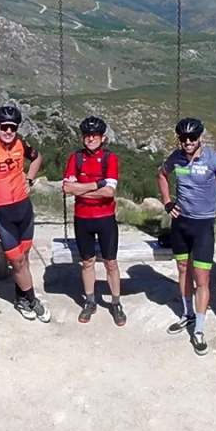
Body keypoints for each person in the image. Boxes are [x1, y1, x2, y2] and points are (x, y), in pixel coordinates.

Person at [156, 116, 216, 355]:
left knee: (202, 280)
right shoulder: (175, 158)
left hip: (203, 227)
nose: (187, 142)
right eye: (183, 138)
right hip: (180, 224)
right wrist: (167, 202)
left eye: (192, 138)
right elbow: (162, 175)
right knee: (183, 270)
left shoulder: (212, 159)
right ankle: (187, 314)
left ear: (200, 138)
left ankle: (199, 329)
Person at [0, 104, 49, 322]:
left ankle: (21, 298)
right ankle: (32, 299)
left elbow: (37, 157)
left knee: (24, 257)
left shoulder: (20, 144)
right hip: (0, 213)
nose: (8, 131)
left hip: (24, 209)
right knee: (16, 261)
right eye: (4, 127)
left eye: (13, 127)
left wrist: (29, 178)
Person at [63, 115, 125, 327]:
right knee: (87, 262)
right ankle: (90, 301)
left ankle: (116, 303)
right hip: (82, 219)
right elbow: (66, 188)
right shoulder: (75, 158)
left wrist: (81, 189)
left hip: (105, 218)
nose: (90, 139)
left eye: (95, 135)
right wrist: (94, 185)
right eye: (87, 135)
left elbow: (108, 193)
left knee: (111, 262)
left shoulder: (110, 159)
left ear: (103, 138)